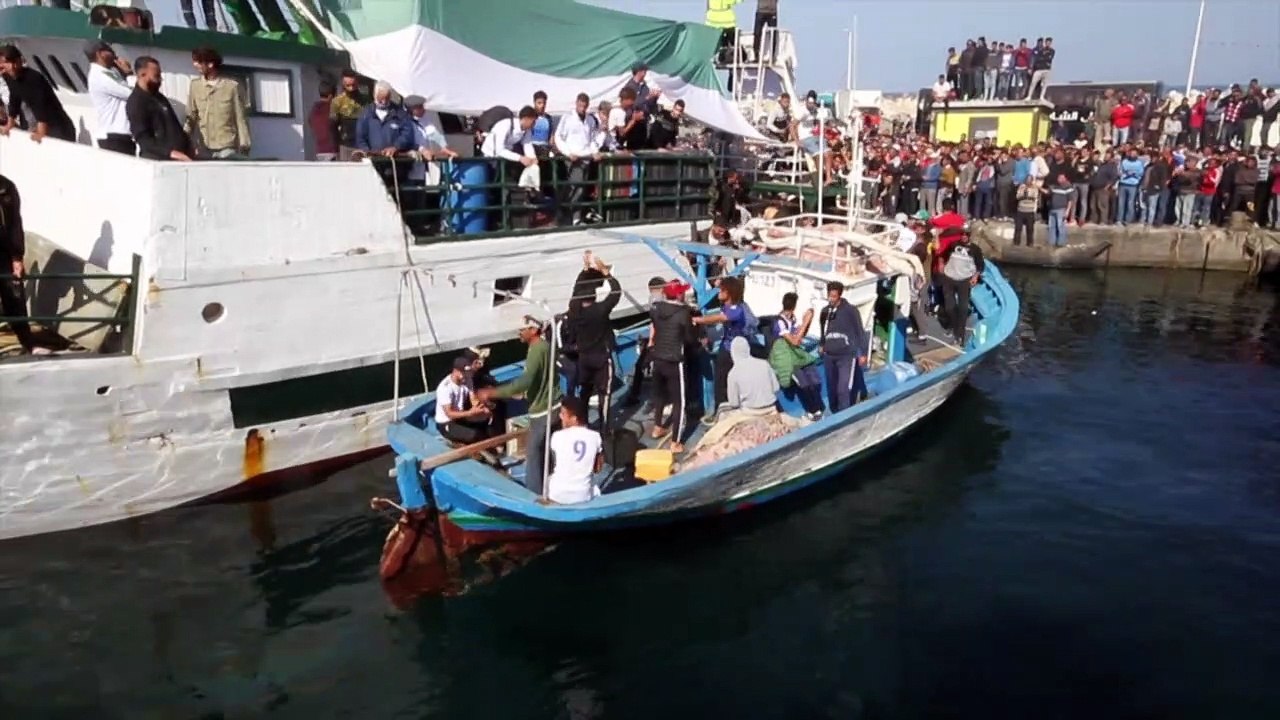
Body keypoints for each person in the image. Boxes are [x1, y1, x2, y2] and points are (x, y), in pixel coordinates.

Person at [476, 316, 559, 495]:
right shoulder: (545, 347)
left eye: (522, 329)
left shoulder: (536, 351)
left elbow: (525, 381)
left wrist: (491, 393)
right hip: (554, 405)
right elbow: (544, 377)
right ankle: (553, 478)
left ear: (534, 330)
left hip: (543, 411)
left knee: (534, 453)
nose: (519, 333)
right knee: (549, 447)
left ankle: (533, 494)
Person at [570, 254, 622, 429]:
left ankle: (582, 423)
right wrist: (606, 273)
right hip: (601, 357)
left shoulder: (574, 311)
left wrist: (584, 271)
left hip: (584, 358)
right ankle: (604, 427)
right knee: (604, 394)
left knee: (584, 392)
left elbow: (575, 290)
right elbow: (616, 292)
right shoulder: (600, 310)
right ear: (594, 297)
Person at [0, 173, 47, 355]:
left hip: (4, 252)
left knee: (15, 297)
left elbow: (14, 223)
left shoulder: (6, 188)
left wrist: (17, 257)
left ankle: (28, 344)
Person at [693, 275, 754, 414]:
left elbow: (720, 318)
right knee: (721, 380)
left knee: (723, 380)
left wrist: (698, 320)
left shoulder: (736, 310)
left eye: (722, 290)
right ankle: (721, 407)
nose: (719, 292)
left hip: (734, 350)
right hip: (726, 346)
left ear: (729, 293)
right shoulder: (726, 305)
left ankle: (725, 409)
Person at [647, 279, 696, 451]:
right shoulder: (683, 312)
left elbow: (656, 325)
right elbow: (690, 338)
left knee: (659, 395)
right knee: (679, 401)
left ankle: (657, 427)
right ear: (679, 294)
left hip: (658, 357)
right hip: (675, 360)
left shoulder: (656, 309)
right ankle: (675, 441)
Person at [0, 45, 75, 143]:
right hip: (45, 124)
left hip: (59, 127)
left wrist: (41, 131)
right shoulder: (8, 76)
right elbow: (14, 99)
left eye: (15, 62)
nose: (12, 66)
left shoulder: (33, 78)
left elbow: (41, 104)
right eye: (7, 63)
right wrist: (10, 123)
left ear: (21, 61)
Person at [185, 47, 251, 159]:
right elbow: (191, 115)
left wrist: (245, 145)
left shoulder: (232, 87)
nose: (195, 64)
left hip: (227, 146)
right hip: (204, 147)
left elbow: (241, 118)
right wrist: (184, 139)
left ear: (210, 64)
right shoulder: (195, 86)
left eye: (199, 62)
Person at [126, 56, 194, 161]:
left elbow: (174, 126)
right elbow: (143, 139)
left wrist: (188, 146)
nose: (160, 80)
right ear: (142, 74)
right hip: (158, 161)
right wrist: (170, 153)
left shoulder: (159, 98)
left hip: (178, 158)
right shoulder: (136, 102)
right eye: (156, 76)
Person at [770, 292, 823, 419]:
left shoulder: (791, 320)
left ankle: (817, 408)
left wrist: (805, 323)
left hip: (797, 355)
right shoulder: (780, 322)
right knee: (803, 383)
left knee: (814, 381)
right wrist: (805, 323)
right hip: (787, 359)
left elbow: (798, 338)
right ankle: (812, 411)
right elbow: (794, 341)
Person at [818, 280, 867, 413]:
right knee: (831, 388)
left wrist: (862, 353)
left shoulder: (851, 311)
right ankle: (834, 412)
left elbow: (859, 331)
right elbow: (823, 331)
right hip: (829, 356)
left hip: (846, 356)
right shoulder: (824, 312)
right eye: (830, 296)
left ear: (839, 295)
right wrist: (822, 345)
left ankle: (844, 413)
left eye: (834, 296)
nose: (831, 299)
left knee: (843, 389)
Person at [545, 397, 603, 504]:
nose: (560, 416)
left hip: (557, 495)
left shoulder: (557, 436)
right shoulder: (596, 437)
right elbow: (597, 469)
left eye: (563, 414)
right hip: (582, 496)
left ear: (574, 419)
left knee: (549, 478)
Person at [85, 40, 137, 156]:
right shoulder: (100, 76)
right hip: (114, 135)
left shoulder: (110, 73)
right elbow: (132, 94)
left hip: (120, 135)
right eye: (109, 51)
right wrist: (129, 73)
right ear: (100, 54)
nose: (114, 54)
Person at [938, 228, 985, 345]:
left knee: (963, 308)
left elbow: (980, 266)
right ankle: (954, 327)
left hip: (964, 280)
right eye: (962, 234)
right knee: (950, 307)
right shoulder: (953, 245)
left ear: (969, 236)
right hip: (949, 278)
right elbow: (942, 255)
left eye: (966, 235)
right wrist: (941, 264)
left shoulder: (975, 249)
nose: (963, 236)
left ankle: (960, 335)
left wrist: (975, 277)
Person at [435, 356, 493, 444]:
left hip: (461, 417)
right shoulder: (445, 388)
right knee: (473, 435)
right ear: (456, 371)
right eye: (463, 372)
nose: (466, 375)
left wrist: (482, 408)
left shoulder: (467, 379)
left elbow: (473, 398)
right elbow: (449, 414)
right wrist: (470, 413)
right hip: (447, 423)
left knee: (486, 420)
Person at [725, 336, 779, 413]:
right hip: (771, 409)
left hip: (750, 412)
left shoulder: (733, 373)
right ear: (748, 349)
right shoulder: (764, 364)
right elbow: (776, 388)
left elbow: (734, 403)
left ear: (732, 352)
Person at [308, 80, 339, 161]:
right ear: (330, 96)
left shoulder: (313, 110)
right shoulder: (332, 109)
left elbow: (311, 124)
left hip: (319, 151)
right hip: (332, 150)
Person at [1047, 173, 1077, 247]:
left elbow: (1070, 200)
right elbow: (1047, 193)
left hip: (1061, 209)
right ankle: (1052, 243)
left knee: (1061, 227)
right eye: (1058, 178)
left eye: (1061, 178)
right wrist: (1038, 187)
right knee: (1051, 227)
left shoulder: (1068, 187)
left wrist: (1067, 211)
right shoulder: (1055, 187)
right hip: (1052, 210)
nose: (1059, 179)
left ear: (1065, 179)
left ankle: (1061, 243)